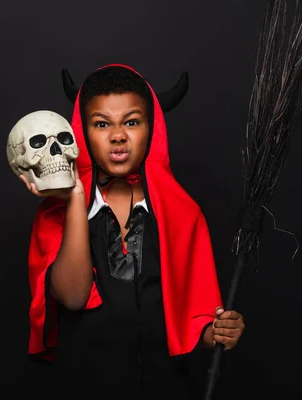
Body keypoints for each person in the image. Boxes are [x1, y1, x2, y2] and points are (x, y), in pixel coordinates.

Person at [20, 64, 245, 398]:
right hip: (83, 384)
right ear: (83, 132)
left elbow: (196, 322)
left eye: (131, 121)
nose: (117, 135)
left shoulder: (183, 213)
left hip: (165, 385)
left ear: (152, 129)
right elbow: (72, 296)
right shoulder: (56, 213)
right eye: (101, 124)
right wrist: (76, 196)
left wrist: (219, 331)